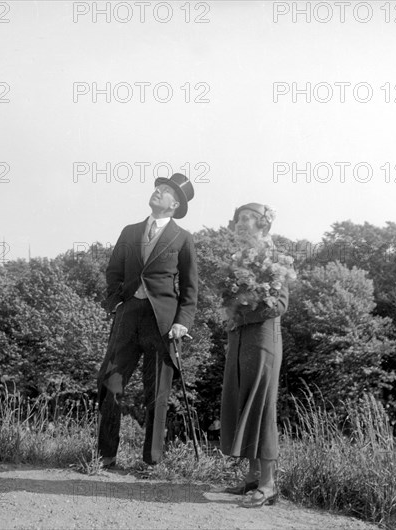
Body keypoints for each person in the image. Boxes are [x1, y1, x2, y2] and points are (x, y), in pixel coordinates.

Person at [97, 173, 198, 467]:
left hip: (163, 323)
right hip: (128, 317)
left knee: (157, 393)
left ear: (175, 204)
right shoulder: (129, 231)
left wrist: (182, 322)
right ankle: (106, 456)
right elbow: (113, 271)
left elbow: (191, 287)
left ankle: (151, 461)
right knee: (110, 384)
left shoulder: (183, 238)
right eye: (158, 187)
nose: (158, 192)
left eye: (165, 191)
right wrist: (116, 301)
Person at [220, 202, 289, 508]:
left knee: (261, 406)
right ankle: (251, 479)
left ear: (263, 224)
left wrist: (242, 315)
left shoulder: (272, 255)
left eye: (249, 218)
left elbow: (279, 305)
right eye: (239, 219)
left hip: (262, 340)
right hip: (239, 341)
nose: (243, 223)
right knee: (242, 402)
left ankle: (268, 484)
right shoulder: (237, 259)